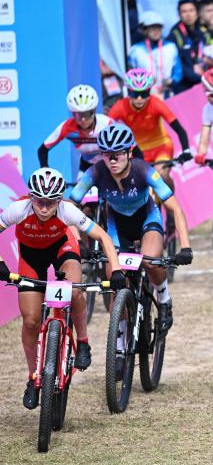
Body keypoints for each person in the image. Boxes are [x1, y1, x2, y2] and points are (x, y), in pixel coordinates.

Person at [0, 168, 124, 409]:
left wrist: (116, 269)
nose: (44, 208)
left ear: (59, 200)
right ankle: (33, 377)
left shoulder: (68, 210)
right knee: (31, 321)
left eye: (50, 203)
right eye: (39, 202)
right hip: (30, 257)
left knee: (75, 290)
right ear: (31, 197)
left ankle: (84, 342)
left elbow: (104, 237)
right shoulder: (19, 209)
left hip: (62, 249)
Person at [69, 124, 193, 338]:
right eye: (107, 155)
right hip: (117, 225)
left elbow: (175, 208)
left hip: (146, 218)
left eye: (117, 154)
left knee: (150, 259)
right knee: (115, 279)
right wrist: (78, 240)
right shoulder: (95, 172)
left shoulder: (144, 170)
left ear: (129, 152)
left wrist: (185, 246)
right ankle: (119, 342)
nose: (112, 160)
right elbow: (69, 207)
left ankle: (163, 298)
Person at [107, 69, 192, 186]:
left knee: (160, 175)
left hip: (161, 146)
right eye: (135, 94)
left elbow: (179, 129)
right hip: (138, 151)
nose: (139, 99)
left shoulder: (156, 104)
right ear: (127, 92)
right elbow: (105, 131)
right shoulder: (119, 107)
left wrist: (186, 150)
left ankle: (170, 201)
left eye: (144, 94)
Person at [38, 85, 114, 173]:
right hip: (87, 167)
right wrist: (45, 173)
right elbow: (42, 150)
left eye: (87, 114)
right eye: (79, 115)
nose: (83, 119)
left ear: (94, 111)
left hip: (111, 165)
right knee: (80, 187)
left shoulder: (107, 124)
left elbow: (130, 148)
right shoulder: (66, 127)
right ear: (73, 114)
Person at [128, 11, 181, 98]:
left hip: (167, 93)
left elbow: (178, 71)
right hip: (144, 94)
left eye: (158, 28)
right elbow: (130, 73)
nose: (156, 31)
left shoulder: (171, 47)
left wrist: (172, 81)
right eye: (152, 28)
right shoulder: (135, 50)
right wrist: (144, 81)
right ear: (144, 30)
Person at [168, 0, 208, 93]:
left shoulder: (203, 31)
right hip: (184, 85)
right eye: (184, 11)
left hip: (202, 79)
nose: (188, 15)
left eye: (191, 10)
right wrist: (198, 77)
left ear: (197, 13)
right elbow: (177, 64)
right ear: (179, 15)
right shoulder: (174, 35)